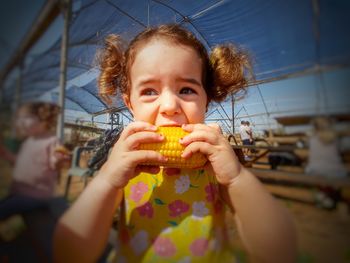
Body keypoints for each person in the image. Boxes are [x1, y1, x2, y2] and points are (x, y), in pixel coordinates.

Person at [54, 24, 296, 263]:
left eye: (186, 89)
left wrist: (236, 178)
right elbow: (71, 254)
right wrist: (107, 180)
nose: (170, 106)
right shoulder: (124, 166)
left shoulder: (216, 165)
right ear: (130, 104)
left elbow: (280, 251)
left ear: (206, 101)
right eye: (149, 91)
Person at [0, 102, 71, 220]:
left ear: (43, 119)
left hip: (36, 195)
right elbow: (21, 163)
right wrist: (6, 154)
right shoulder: (28, 141)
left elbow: (55, 163)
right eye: (18, 118)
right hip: (19, 192)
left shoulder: (51, 141)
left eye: (25, 118)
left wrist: (58, 160)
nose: (20, 122)